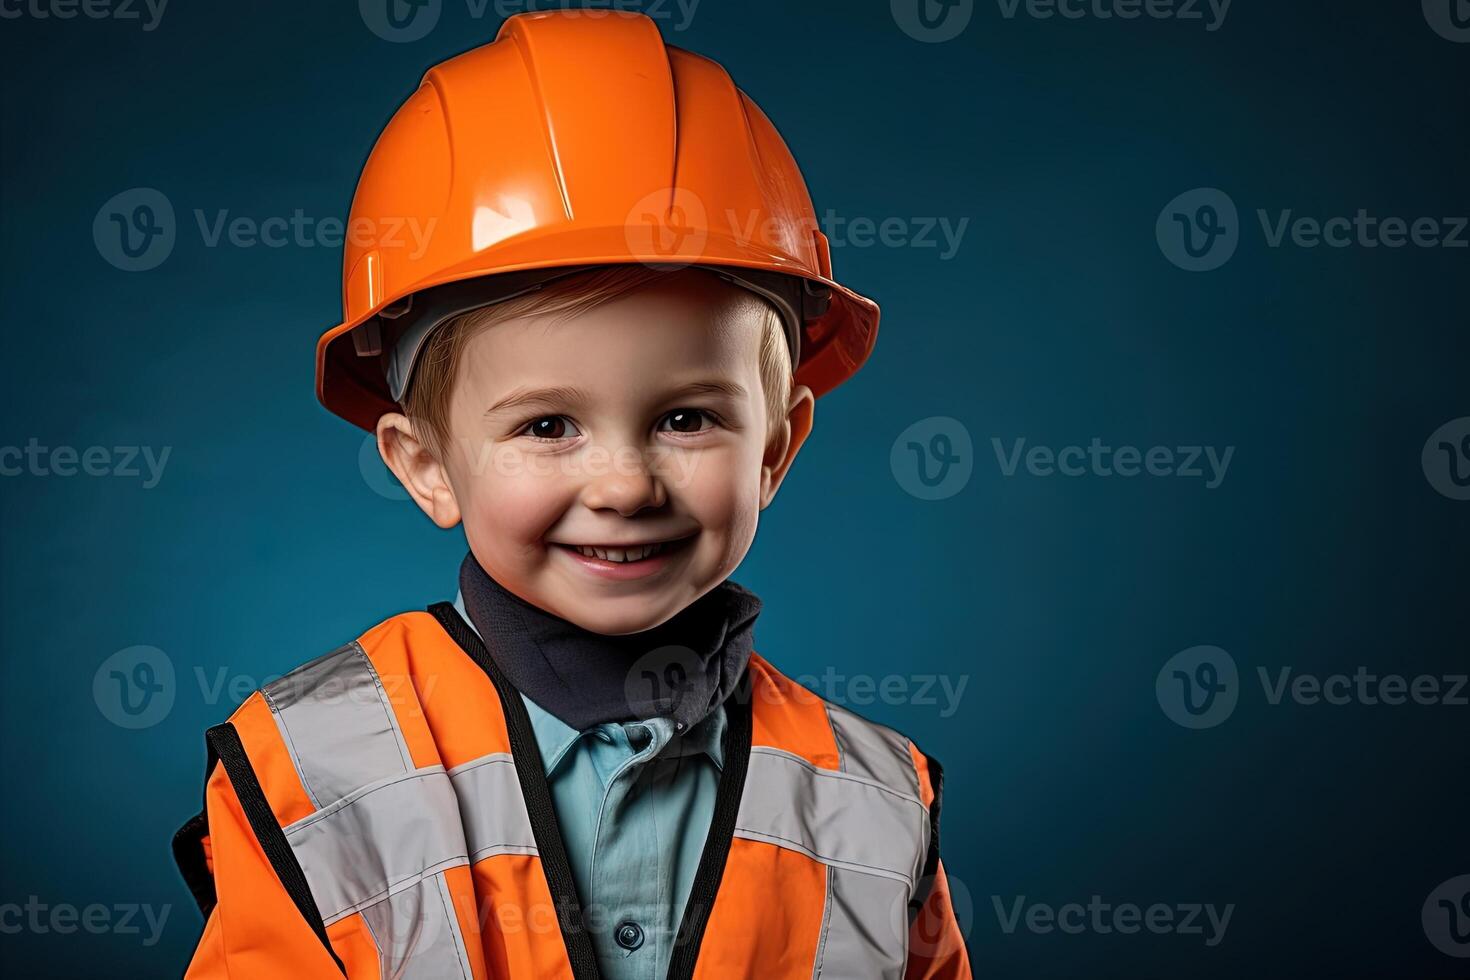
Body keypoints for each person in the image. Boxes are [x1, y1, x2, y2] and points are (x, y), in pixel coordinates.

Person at [172, 11, 971, 979]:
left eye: (687, 418)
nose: (625, 484)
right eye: (547, 425)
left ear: (777, 446)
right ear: (425, 463)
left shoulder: (878, 800)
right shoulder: (308, 768)